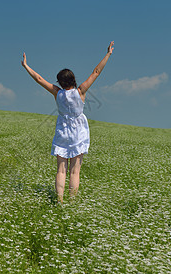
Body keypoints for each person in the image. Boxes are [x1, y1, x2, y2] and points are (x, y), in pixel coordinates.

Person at [21, 41, 114, 204]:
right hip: (79, 133)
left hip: (62, 132)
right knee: (74, 172)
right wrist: (108, 54)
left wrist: (26, 66)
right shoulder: (81, 91)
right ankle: (72, 202)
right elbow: (96, 72)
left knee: (61, 170)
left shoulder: (57, 93)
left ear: (59, 82)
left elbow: (39, 79)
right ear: (73, 79)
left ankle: (60, 200)